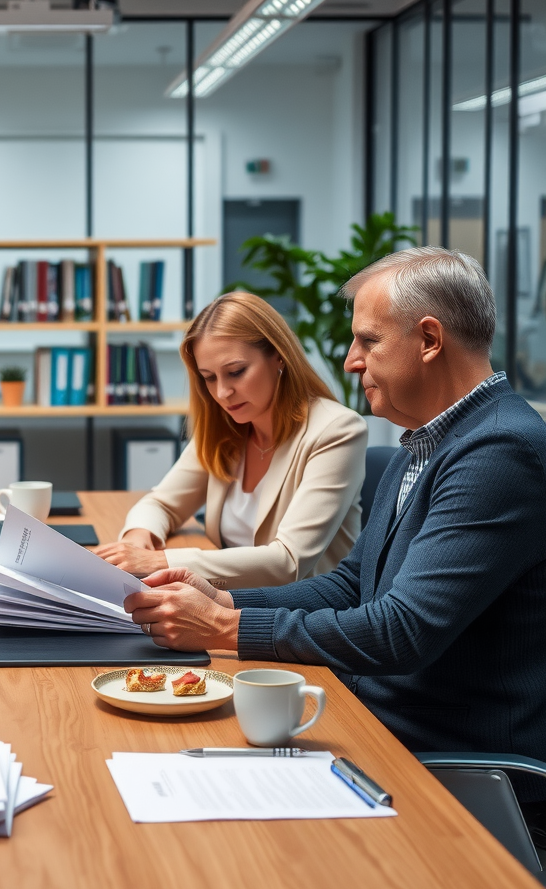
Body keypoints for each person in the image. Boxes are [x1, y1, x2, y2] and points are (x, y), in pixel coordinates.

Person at [125, 247, 546, 781]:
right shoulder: (424, 443)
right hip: (373, 723)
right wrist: (223, 598)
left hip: (444, 762)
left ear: (431, 340)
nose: (350, 360)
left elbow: (403, 630)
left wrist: (225, 625)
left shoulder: (500, 451)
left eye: (368, 340)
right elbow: (351, 586)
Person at [96, 291, 367, 588]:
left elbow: (288, 561)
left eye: (236, 372)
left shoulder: (336, 431)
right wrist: (138, 537)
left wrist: (160, 562)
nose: (223, 392)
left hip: (302, 618)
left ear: (278, 356)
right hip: (231, 602)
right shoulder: (227, 426)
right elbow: (162, 504)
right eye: (209, 377)